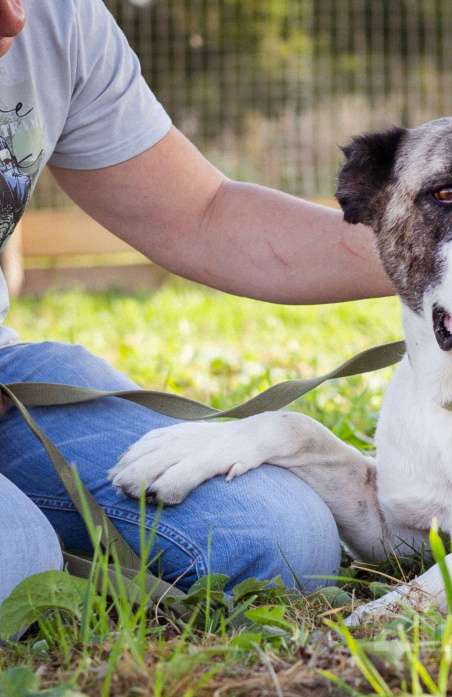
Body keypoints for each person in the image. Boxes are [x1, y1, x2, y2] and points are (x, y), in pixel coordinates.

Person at [0, 0, 394, 602]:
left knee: (282, 539)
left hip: (8, 373)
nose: (14, 18)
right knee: (18, 560)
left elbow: (203, 213)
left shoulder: (61, 18)